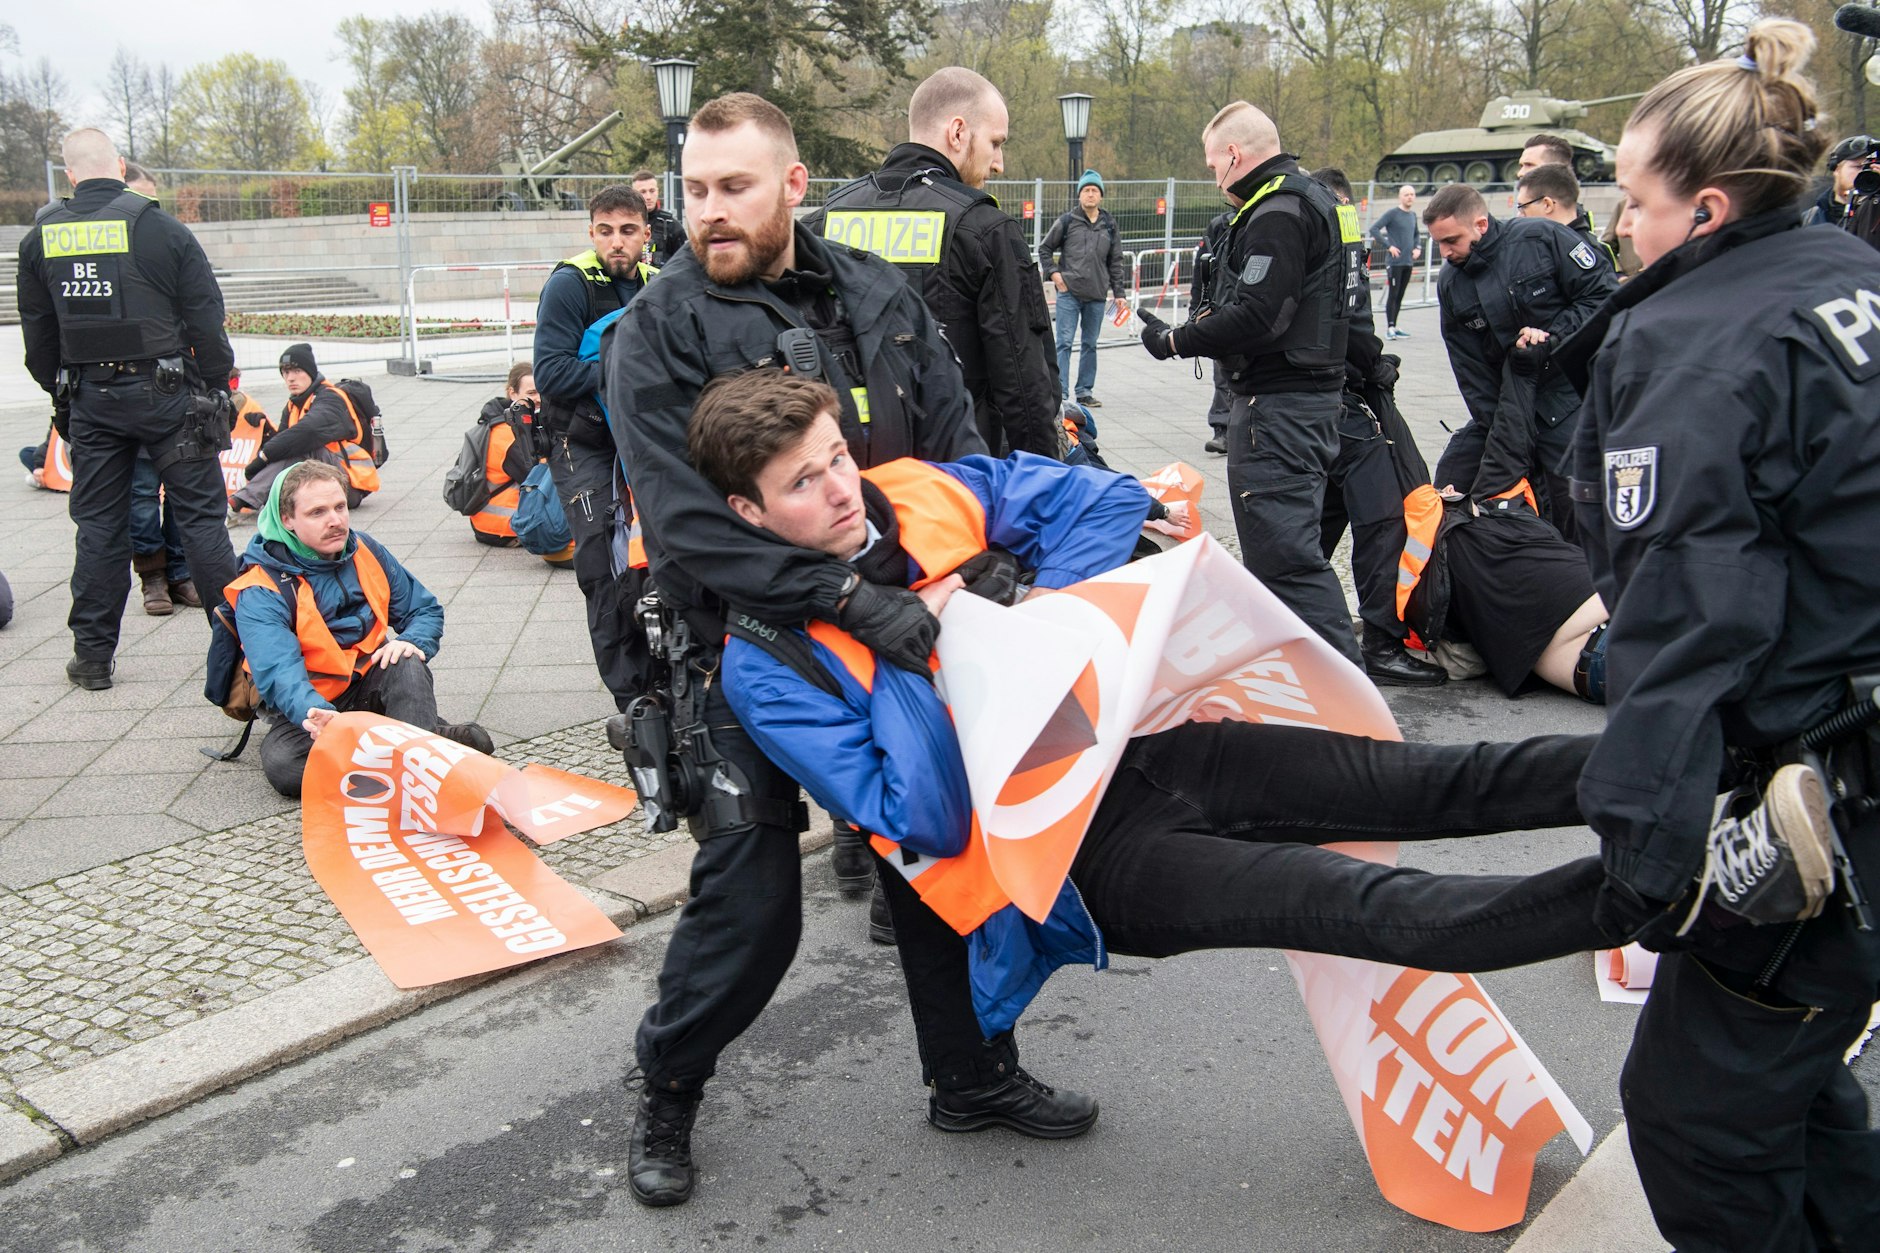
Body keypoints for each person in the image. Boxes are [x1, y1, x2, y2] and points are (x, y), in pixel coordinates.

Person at [693, 367, 1615, 1058]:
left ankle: (1684, 770)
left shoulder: (917, 487)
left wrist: (1024, 603)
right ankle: (1657, 899)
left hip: (1145, 746)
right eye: (804, 484)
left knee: (1425, 778)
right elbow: (924, 817)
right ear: (748, 510)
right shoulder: (764, 668)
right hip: (1072, 861)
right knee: (1359, 903)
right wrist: (921, 650)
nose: (843, 488)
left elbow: (1106, 498)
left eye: (836, 458)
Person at [604, 91, 1093, 1210]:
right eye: (693, 189)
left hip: (906, 623)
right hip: (745, 645)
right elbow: (686, 525)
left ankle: (970, 1074)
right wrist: (836, 593)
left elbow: (951, 446)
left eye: (733, 188)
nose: (708, 211)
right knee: (751, 894)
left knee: (934, 856)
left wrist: (981, 552)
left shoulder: (877, 291)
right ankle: (668, 1084)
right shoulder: (659, 328)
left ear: (792, 185)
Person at [1552, 22, 1880, 1249]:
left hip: (1827, 789)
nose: (1614, 228)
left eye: (1630, 203)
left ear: (1700, 210)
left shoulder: (1697, 340)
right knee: (1786, 1075)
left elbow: (1690, 610)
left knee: (1691, 1117)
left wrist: (1642, 841)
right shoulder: (1849, 275)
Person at [1135, 102, 1364, 665]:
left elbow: (1260, 315)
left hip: (1279, 408)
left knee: (1284, 558)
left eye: (1213, 162)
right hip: (1305, 400)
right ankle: (1311, 684)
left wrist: (1174, 341)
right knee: (1288, 551)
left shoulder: (1277, 213)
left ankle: (1347, 700)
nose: (1213, 175)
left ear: (1234, 154)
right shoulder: (1312, 199)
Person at [16, 127, 239, 692]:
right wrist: (214, 386)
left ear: (69, 174)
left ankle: (92, 659)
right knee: (201, 522)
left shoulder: (40, 238)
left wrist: (62, 398)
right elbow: (206, 318)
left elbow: (39, 340)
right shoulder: (161, 229)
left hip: (91, 399)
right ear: (118, 165)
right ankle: (246, 652)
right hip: (169, 398)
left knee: (98, 528)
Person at [812, 67, 1062, 459]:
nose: (999, 163)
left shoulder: (824, 220)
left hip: (851, 477)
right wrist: (1049, 493)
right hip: (956, 477)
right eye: (995, 143)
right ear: (959, 133)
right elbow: (1025, 386)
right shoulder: (985, 230)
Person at [227, 460, 492, 798]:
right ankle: (431, 740)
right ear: (287, 520)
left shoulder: (364, 548)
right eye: (318, 512)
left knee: (407, 661)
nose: (335, 520)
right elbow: (278, 671)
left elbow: (423, 608)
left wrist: (412, 639)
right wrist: (316, 713)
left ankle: (412, 762)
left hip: (369, 685)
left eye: (340, 506)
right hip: (314, 704)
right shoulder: (260, 588)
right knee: (285, 767)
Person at [1310, 165, 1445, 686]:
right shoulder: (1339, 242)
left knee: (1321, 518)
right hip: (1344, 405)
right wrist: (1374, 368)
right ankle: (1382, 643)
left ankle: (1283, 621)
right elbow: (1353, 328)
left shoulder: (1297, 234)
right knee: (1382, 518)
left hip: (1304, 410)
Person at [1423, 183, 1616, 543]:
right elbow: (1468, 367)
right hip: (1507, 408)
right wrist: (1501, 430)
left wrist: (1553, 336)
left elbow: (1602, 296)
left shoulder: (1541, 239)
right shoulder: (1452, 283)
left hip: (1568, 396)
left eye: (1452, 240)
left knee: (1574, 508)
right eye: (1438, 242)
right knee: (1452, 489)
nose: (1444, 252)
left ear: (1480, 225)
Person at [534, 185, 657, 713]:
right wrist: (627, 368)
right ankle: (631, 698)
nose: (617, 242)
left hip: (637, 436)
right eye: (605, 231)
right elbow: (551, 373)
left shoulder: (654, 281)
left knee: (651, 557)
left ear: (646, 234)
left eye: (628, 231)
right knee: (602, 564)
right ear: (591, 233)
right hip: (580, 442)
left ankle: (661, 670)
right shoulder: (570, 284)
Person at [231, 344, 379, 514]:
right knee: (291, 447)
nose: (290, 378)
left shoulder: (330, 398)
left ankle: (241, 500)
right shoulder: (294, 404)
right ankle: (247, 498)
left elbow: (307, 432)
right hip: (321, 479)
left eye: (296, 371)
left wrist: (262, 458)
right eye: (285, 372)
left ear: (310, 372)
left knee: (304, 447)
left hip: (350, 484)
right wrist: (264, 430)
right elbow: (282, 440)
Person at [1039, 169, 1127, 408]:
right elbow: (1045, 249)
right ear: (1080, 195)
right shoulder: (1067, 221)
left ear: (1101, 196)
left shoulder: (1109, 224)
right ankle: (1061, 392)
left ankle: (1084, 391)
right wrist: (1055, 275)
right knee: (1064, 343)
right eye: (1086, 190)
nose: (1090, 194)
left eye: (1094, 190)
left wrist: (1119, 294)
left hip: (1097, 295)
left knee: (1090, 344)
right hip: (1069, 293)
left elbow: (1116, 260)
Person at [464, 362, 543, 549]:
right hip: (502, 525)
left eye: (542, 392)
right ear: (512, 393)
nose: (539, 398)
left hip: (488, 520)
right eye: (531, 393)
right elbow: (537, 476)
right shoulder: (507, 434)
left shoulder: (507, 420)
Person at [1516, 163, 1617, 272]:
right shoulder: (1546, 246)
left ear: (1547, 205)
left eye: (1523, 207)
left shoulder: (1584, 253)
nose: (1519, 215)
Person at [1190, 211, 1233, 455]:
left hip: (1252, 309)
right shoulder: (1220, 225)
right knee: (1223, 372)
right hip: (1223, 308)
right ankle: (1223, 429)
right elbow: (1201, 269)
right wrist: (1196, 308)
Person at [1367, 184, 1419, 339]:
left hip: (1408, 261)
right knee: (1393, 294)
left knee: (1401, 295)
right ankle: (1390, 327)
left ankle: (1395, 326)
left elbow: (1416, 234)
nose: (1409, 197)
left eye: (1412, 194)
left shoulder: (1413, 215)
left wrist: (1418, 247)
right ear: (1400, 197)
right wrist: (1389, 246)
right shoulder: (1392, 214)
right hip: (1395, 262)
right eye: (1406, 194)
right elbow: (1374, 229)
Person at [1804, 133, 1876, 227]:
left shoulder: (1875, 216)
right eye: (1858, 166)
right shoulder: (1811, 218)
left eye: (1870, 167)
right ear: (1836, 169)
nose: (1865, 172)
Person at [631, 169, 685, 267]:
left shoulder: (671, 225)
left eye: (652, 191)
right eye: (643, 192)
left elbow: (685, 262)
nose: (648, 196)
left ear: (657, 191)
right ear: (634, 194)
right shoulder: (626, 224)